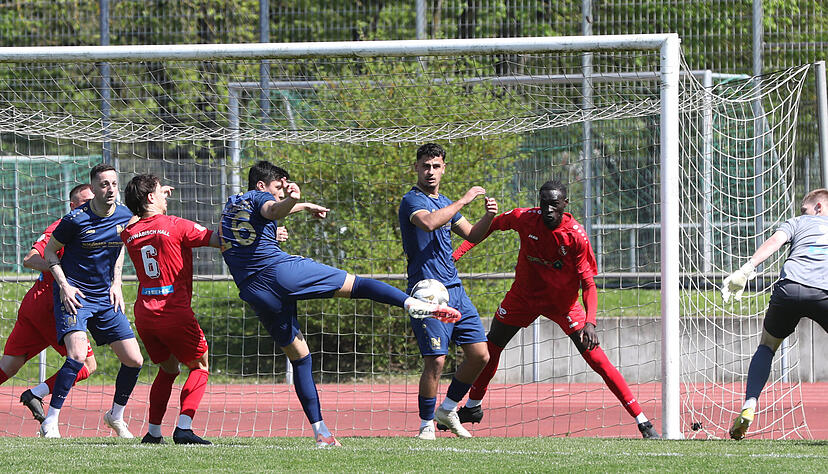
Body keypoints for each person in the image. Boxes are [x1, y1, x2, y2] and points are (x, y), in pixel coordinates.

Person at [219, 160, 460, 448]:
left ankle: (321, 432)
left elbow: (256, 222)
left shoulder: (232, 206)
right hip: (279, 273)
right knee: (356, 285)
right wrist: (292, 200)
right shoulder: (263, 198)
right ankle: (411, 303)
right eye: (277, 189)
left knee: (300, 357)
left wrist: (302, 206)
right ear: (261, 186)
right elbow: (272, 209)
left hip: (253, 291)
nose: (280, 194)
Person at [448, 179, 660, 439]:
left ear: (565, 205)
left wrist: (590, 322)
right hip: (523, 298)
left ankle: (643, 421)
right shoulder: (524, 217)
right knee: (490, 349)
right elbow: (489, 226)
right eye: (544, 204)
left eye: (554, 205)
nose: (548, 210)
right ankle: (472, 407)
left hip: (564, 305)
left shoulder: (576, 236)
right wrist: (456, 255)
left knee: (597, 360)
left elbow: (588, 284)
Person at [398, 143, 498, 440]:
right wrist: (465, 200)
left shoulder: (445, 201)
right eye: (425, 166)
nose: (430, 171)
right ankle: (426, 423)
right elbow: (428, 223)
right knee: (436, 360)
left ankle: (449, 407)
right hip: (427, 290)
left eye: (436, 166)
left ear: (443, 169)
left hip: (454, 288)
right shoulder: (411, 201)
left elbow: (473, 234)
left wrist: (489, 217)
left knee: (481, 355)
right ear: (416, 168)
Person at [41, 163, 143, 439]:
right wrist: (64, 286)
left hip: (105, 297)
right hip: (76, 296)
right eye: (103, 184)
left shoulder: (124, 215)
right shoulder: (75, 219)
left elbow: (121, 246)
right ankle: (50, 421)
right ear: (93, 188)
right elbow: (50, 253)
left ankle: (115, 416)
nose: (109, 189)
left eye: (113, 183)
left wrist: (117, 283)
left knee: (134, 360)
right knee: (76, 356)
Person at [121, 174, 222, 445]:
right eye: (160, 191)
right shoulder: (176, 225)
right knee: (200, 366)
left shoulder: (130, 233)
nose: (167, 195)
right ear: (151, 198)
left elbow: (136, 220)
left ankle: (153, 433)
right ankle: (184, 429)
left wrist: (151, 197)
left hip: (144, 313)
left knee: (168, 369)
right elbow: (218, 240)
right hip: (172, 310)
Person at [724, 188, 828, 440]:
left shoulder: (797, 223)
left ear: (819, 207)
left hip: (789, 288)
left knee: (767, 347)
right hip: (823, 292)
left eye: (805, 208)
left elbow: (774, 242)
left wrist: (746, 269)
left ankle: (749, 405)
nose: (802, 213)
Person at [0, 184, 97, 423]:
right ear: (72, 206)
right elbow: (30, 258)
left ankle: (35, 394)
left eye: (92, 201)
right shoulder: (64, 226)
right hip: (50, 305)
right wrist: (61, 270)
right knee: (86, 363)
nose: (90, 206)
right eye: (84, 202)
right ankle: (36, 394)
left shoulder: (97, 227)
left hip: (37, 306)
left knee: (9, 366)